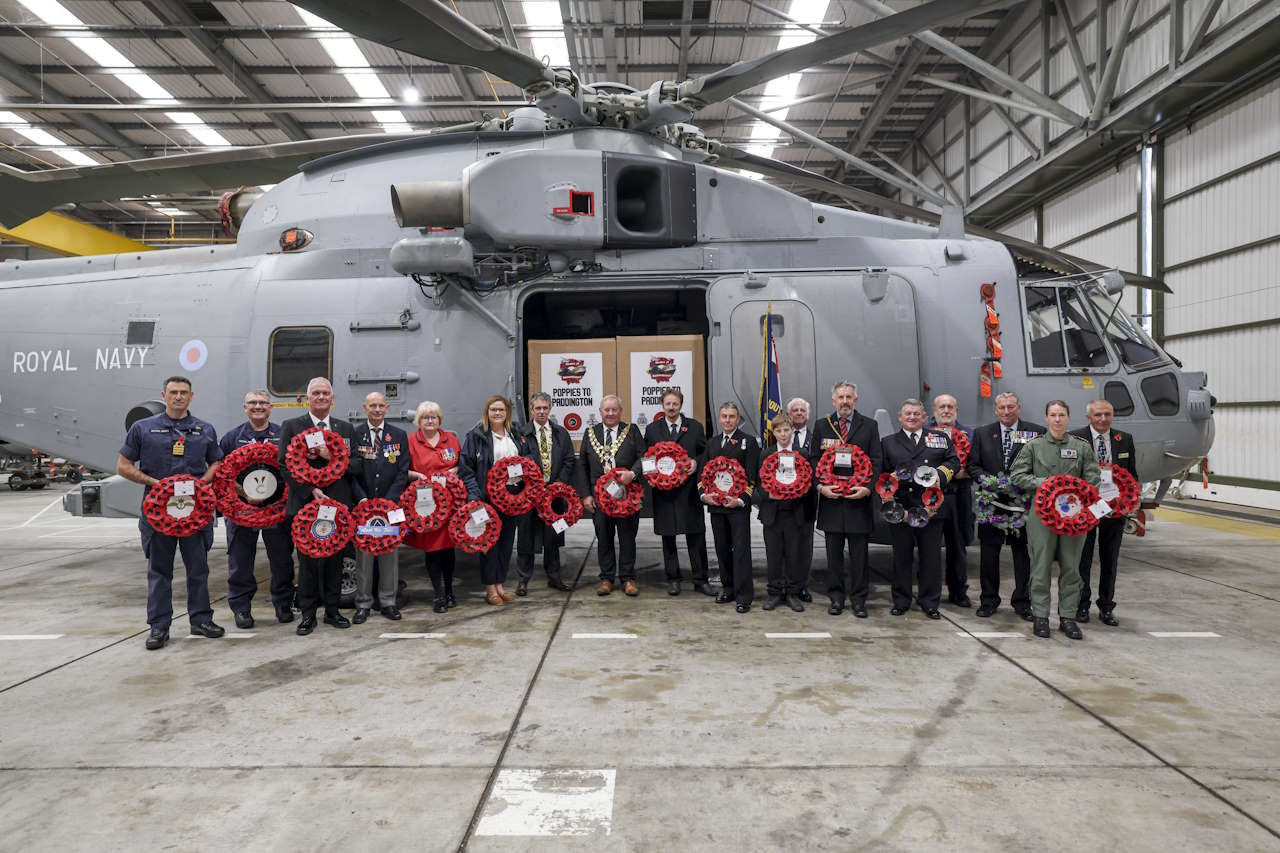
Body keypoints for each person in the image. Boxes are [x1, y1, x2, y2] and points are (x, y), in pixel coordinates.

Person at [117, 376, 224, 650]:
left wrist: (202, 484)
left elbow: (216, 463)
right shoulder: (143, 429)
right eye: (174, 392)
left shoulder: (205, 429)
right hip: (158, 513)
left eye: (184, 393)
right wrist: (157, 484)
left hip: (195, 512)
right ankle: (159, 626)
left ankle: (201, 620)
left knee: (198, 569)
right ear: (163, 395)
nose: (179, 397)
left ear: (191, 396)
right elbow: (123, 466)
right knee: (159, 571)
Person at [1008, 400, 1100, 640]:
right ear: (1046, 418)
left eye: (1061, 415)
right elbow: (1017, 476)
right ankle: (1040, 616)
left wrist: (1076, 489)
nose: (1057, 419)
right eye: (1053, 415)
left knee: (1072, 568)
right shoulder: (1034, 446)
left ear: (1068, 418)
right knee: (1040, 566)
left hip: (1074, 517)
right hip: (1042, 517)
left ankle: (1068, 618)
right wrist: (1045, 483)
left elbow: (1093, 479)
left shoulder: (1082, 448)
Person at [278, 377, 362, 636]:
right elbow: (284, 464)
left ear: (332, 398)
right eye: (316, 393)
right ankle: (307, 614)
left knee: (336, 561)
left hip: (337, 506)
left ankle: (333, 611)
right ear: (307, 398)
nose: (321, 397)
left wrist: (330, 456)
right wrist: (309, 491)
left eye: (326, 393)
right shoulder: (292, 426)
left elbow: (357, 464)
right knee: (308, 564)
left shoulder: (345, 429)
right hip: (306, 504)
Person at [219, 390, 295, 628]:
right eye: (253, 403)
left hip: (277, 510)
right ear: (245, 408)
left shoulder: (283, 435)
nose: (258, 406)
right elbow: (223, 476)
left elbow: (294, 470)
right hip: (243, 510)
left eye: (263, 403)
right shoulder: (232, 438)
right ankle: (241, 608)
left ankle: (283, 604)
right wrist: (244, 494)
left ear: (271, 408)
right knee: (241, 561)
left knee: (282, 559)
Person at [880, 398, 960, 620]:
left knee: (931, 558)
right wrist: (887, 491)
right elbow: (882, 472)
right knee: (901, 557)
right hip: (901, 508)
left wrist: (938, 477)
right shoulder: (888, 442)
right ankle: (901, 600)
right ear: (900, 417)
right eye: (908, 414)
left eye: (917, 414)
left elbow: (954, 462)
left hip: (931, 507)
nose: (912, 417)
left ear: (925, 417)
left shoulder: (940, 439)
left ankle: (929, 601)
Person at [966, 392, 1044, 618]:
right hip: (993, 504)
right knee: (989, 555)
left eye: (1011, 407)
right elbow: (973, 466)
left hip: (1024, 505)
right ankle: (989, 601)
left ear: (1018, 408)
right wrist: (988, 481)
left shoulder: (1036, 432)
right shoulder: (982, 433)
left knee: (1023, 556)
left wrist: (1025, 484)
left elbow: (1041, 465)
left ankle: (1022, 602)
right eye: (1002, 407)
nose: (1007, 411)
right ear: (996, 410)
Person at [808, 381, 881, 618]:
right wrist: (820, 487)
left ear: (855, 400)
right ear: (833, 401)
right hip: (831, 501)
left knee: (860, 556)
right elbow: (813, 460)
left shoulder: (869, 426)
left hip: (858, 502)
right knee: (834, 556)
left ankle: (859, 600)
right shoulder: (822, 425)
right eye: (840, 397)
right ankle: (836, 598)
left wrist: (868, 488)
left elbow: (877, 460)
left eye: (849, 397)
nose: (845, 401)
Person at [459, 395, 534, 606]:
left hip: (512, 498)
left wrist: (520, 466)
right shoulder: (476, 436)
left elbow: (529, 458)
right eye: (493, 409)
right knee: (489, 544)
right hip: (487, 498)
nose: (497, 413)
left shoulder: (516, 433)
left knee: (506, 543)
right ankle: (490, 588)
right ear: (487, 412)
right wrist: (475, 497)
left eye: (501, 410)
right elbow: (466, 469)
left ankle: (500, 585)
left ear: (507, 412)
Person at [1072, 399, 1137, 626]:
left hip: (1114, 510)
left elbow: (1132, 476)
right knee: (1083, 560)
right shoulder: (1075, 438)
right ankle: (1081, 605)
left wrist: (1129, 502)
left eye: (1107, 414)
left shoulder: (1124, 439)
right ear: (1088, 417)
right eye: (1098, 415)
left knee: (1110, 560)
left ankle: (1107, 607)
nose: (1102, 419)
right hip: (1086, 508)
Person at [641, 388, 711, 596]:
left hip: (689, 492)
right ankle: (673, 578)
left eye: (675, 404)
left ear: (681, 405)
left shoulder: (695, 427)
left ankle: (701, 579)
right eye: (668, 404)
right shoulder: (653, 429)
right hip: (664, 494)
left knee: (696, 537)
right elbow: (647, 458)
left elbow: (705, 453)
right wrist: (650, 477)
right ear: (662, 406)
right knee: (668, 537)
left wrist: (696, 462)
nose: (671, 408)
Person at [575, 396, 646, 596]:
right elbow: (582, 466)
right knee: (604, 537)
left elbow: (644, 456)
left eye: (614, 409)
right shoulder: (590, 433)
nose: (610, 413)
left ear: (620, 411)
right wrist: (586, 495)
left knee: (627, 538)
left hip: (627, 495)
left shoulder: (631, 431)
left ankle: (628, 578)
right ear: (600, 412)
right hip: (599, 498)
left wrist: (632, 474)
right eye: (606, 410)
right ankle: (606, 578)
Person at [351, 392, 411, 623]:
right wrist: (362, 499)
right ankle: (363, 604)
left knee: (389, 554)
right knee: (364, 556)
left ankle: (388, 602)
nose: (377, 409)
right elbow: (351, 471)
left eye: (381, 406)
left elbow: (402, 470)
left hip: (390, 507)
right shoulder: (354, 434)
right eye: (372, 406)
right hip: (364, 507)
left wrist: (390, 500)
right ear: (365, 408)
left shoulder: (398, 435)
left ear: (387, 408)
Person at [700, 402, 760, 613]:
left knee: (741, 552)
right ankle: (728, 588)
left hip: (738, 508)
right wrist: (704, 496)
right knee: (722, 549)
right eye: (724, 416)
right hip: (717, 507)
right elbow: (702, 475)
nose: (727, 420)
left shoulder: (749, 442)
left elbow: (752, 477)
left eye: (731, 416)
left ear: (738, 418)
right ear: (719, 418)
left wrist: (742, 499)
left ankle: (744, 596)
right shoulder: (712, 443)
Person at [404, 401, 461, 613]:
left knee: (448, 549)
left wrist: (454, 470)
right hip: (426, 507)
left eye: (434, 417)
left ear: (440, 420)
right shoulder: (411, 441)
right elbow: (403, 469)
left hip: (450, 504)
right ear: (419, 420)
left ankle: (449, 591)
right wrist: (416, 475)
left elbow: (460, 463)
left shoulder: (451, 439)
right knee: (433, 550)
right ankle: (438, 595)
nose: (430, 420)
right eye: (426, 417)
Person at [515, 392, 575, 595]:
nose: (541, 411)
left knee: (554, 536)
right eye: (537, 408)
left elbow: (568, 460)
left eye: (545, 408)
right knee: (526, 538)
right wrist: (531, 487)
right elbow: (516, 465)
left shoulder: (561, 433)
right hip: (530, 497)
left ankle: (554, 577)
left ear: (549, 409)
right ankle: (523, 580)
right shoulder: (521, 434)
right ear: (531, 410)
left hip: (555, 496)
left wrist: (558, 485)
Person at [757, 414, 808, 612]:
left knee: (794, 555)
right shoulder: (766, 454)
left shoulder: (801, 454)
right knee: (774, 555)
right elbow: (759, 484)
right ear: (773, 432)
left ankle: (793, 593)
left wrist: (797, 492)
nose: (783, 434)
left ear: (792, 431)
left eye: (786, 430)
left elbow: (808, 482)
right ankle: (775, 593)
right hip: (773, 513)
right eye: (779, 430)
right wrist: (770, 495)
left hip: (794, 512)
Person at [931, 393, 975, 608]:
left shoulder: (970, 434)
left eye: (950, 407)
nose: (946, 411)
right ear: (934, 410)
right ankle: (929, 592)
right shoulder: (924, 432)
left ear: (956, 410)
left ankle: (958, 592)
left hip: (959, 496)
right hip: (930, 496)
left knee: (958, 546)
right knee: (928, 546)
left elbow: (977, 463)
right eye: (942, 407)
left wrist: (964, 472)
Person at [786, 397, 817, 602]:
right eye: (795, 410)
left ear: (808, 415)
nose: (798, 413)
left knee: (805, 546)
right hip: (783, 501)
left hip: (807, 500)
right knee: (785, 546)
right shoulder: (781, 438)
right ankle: (785, 584)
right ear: (789, 414)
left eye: (802, 411)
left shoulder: (816, 439)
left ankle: (802, 586)